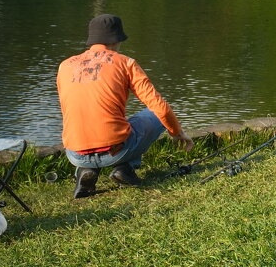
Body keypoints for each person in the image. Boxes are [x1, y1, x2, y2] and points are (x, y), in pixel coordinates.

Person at [56, 14, 193, 199]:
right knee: (153, 115)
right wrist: (177, 133)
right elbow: (160, 107)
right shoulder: (125, 63)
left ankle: (85, 171)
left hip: (75, 153)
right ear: (117, 39)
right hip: (115, 151)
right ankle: (125, 168)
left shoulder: (65, 66)